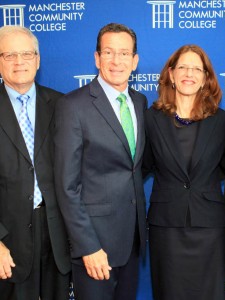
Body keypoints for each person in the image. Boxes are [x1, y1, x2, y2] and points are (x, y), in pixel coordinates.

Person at [54, 23, 147, 300]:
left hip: (131, 240)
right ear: (97, 58)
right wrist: (88, 247)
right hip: (95, 246)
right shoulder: (73, 106)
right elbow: (66, 186)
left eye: (124, 53)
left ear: (135, 61)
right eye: (108, 52)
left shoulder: (139, 102)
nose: (116, 61)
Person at [142, 45, 225, 300]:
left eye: (196, 69)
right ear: (171, 74)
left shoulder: (222, 119)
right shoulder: (151, 118)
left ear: (205, 78)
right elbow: (142, 165)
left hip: (210, 227)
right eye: (182, 67)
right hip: (166, 226)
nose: (188, 73)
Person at [0, 26, 71, 299]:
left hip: (57, 236)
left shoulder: (61, 104)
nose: (20, 62)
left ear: (38, 60)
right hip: (9, 238)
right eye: (9, 55)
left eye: (27, 54)